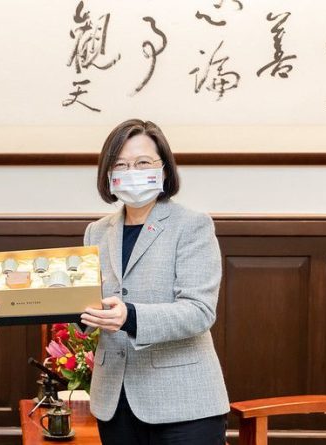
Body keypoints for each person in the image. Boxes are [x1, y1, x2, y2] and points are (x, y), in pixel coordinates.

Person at [80, 119, 229, 445]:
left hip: (184, 404)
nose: (131, 171)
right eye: (120, 164)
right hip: (114, 403)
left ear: (164, 169)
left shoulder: (192, 225)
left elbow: (199, 311)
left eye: (143, 162)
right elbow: (86, 304)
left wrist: (129, 316)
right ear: (108, 174)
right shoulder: (96, 231)